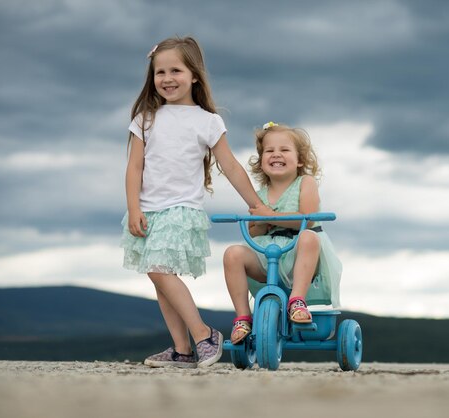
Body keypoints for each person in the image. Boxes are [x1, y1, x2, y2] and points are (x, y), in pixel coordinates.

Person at [120, 36, 263, 368]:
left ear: (194, 75)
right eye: (160, 72)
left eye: (176, 70)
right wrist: (133, 207)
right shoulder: (145, 117)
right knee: (161, 279)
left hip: (180, 210)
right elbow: (134, 166)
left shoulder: (207, 121)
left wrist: (255, 204)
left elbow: (230, 165)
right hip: (148, 210)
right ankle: (181, 351)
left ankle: (204, 335)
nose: (167, 78)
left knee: (158, 270)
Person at [223, 122, 342, 344]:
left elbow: (306, 218)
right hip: (268, 255)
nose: (276, 154)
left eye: (284, 150)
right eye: (269, 151)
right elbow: (254, 230)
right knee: (232, 254)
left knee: (309, 236)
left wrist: (269, 216)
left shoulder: (305, 183)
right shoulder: (259, 194)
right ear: (261, 162)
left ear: (299, 160)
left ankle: (297, 300)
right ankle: (242, 317)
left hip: (299, 251)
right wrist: (260, 221)